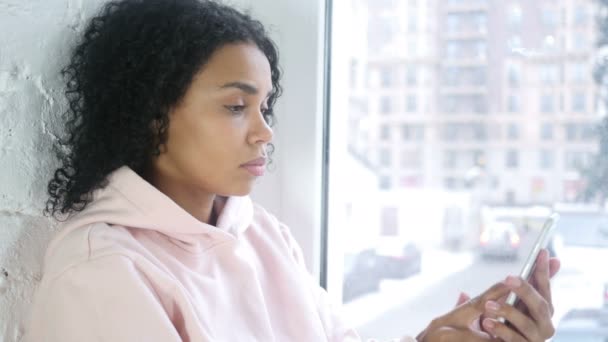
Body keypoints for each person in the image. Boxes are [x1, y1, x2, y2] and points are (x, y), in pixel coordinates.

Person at [24, 0, 560, 341]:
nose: (265, 131)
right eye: (237, 107)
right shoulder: (100, 277)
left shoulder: (261, 234)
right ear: (149, 112)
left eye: (265, 107)